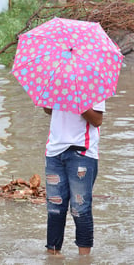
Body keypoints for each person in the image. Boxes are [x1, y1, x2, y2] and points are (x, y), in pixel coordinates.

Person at [43, 101, 105, 256]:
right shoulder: (57, 79)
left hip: (82, 153)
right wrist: (52, 97)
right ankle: (53, 254)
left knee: (80, 208)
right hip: (54, 151)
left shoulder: (93, 83)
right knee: (55, 207)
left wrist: (76, 99)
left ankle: (84, 259)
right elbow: (49, 110)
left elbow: (97, 120)